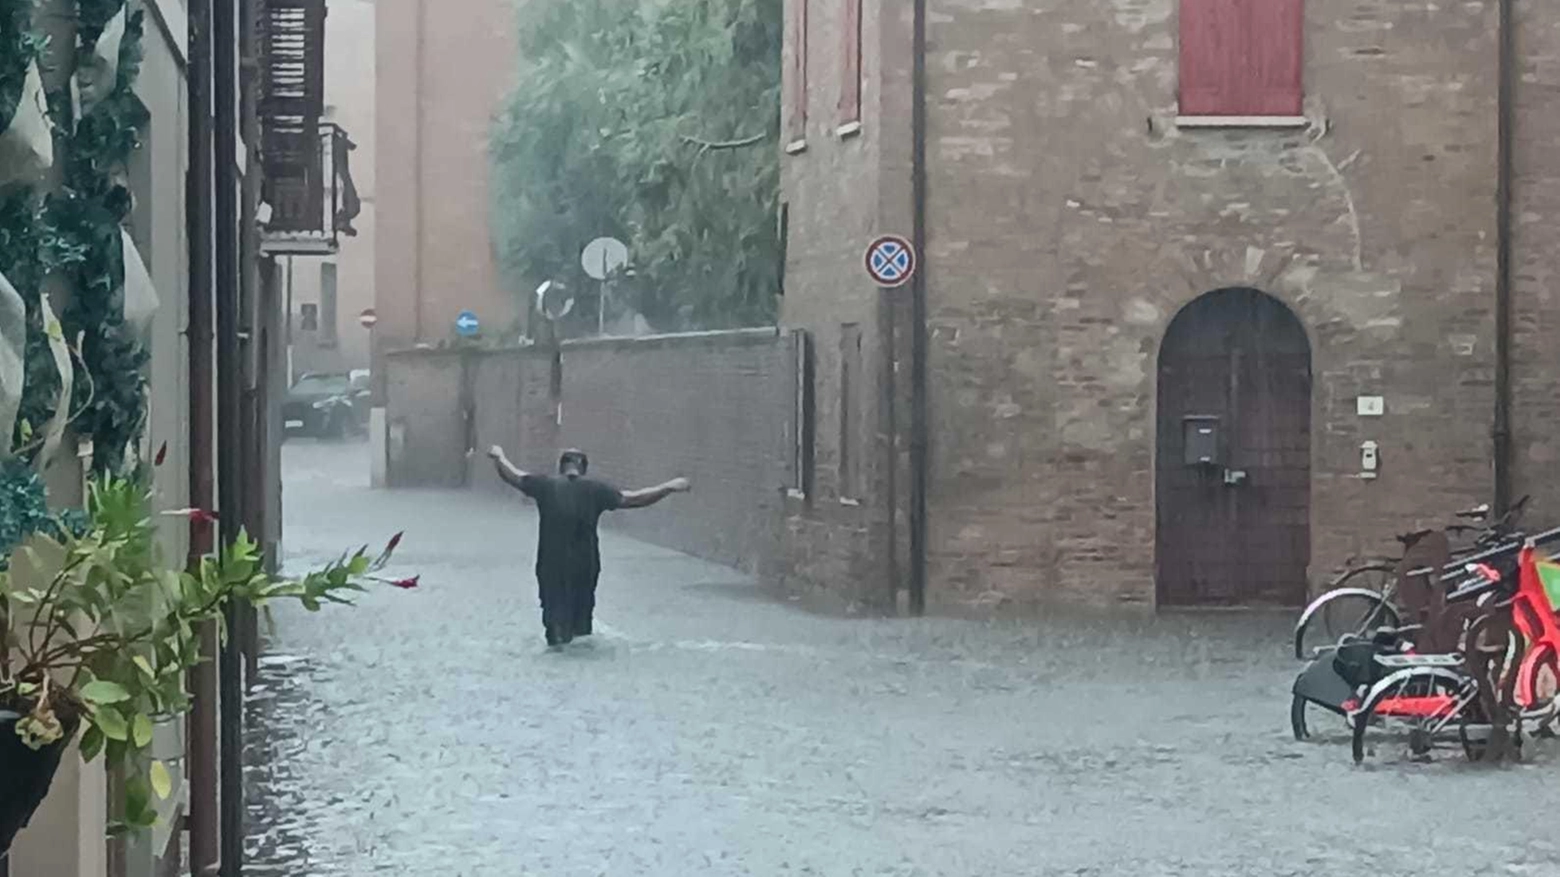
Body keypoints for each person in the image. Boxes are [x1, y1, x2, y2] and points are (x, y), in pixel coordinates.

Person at [488, 445, 690, 647]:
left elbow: (512, 476)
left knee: (554, 618)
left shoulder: (545, 485)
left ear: (561, 467)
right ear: (583, 468)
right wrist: (669, 487)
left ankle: (557, 642)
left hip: (551, 565)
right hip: (585, 565)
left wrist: (499, 456)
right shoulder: (596, 490)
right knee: (582, 624)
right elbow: (635, 499)